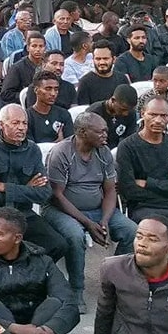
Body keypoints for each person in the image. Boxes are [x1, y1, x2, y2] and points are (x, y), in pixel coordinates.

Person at [42, 112, 138, 311]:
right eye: (100, 131)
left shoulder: (103, 153)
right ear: (82, 132)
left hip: (97, 209)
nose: (106, 134)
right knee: (75, 235)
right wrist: (87, 222)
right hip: (62, 210)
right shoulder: (62, 152)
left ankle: (116, 282)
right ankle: (76, 288)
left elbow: (110, 190)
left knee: (132, 231)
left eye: (106, 130)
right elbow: (57, 196)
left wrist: (104, 220)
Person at [0, 104, 66, 261]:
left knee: (58, 244)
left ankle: (30, 278)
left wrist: (5, 187)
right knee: (0, 251)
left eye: (24, 123)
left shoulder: (33, 150)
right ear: (1, 125)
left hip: (23, 215)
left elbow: (44, 193)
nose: (21, 128)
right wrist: (26, 189)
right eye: (15, 123)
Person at [116, 97, 168, 224]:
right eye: (153, 114)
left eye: (163, 116)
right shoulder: (127, 146)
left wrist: (148, 183)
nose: (158, 120)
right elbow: (129, 190)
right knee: (152, 223)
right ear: (143, 114)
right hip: (145, 207)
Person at [25, 70, 74, 143]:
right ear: (36, 90)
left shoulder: (64, 114)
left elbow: (70, 145)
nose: (53, 93)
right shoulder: (27, 117)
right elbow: (30, 148)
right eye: (48, 89)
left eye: (56, 89)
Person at [86, 83, 139, 149]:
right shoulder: (94, 113)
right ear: (113, 100)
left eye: (129, 110)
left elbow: (130, 137)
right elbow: (88, 140)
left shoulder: (130, 112)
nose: (126, 114)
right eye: (123, 109)